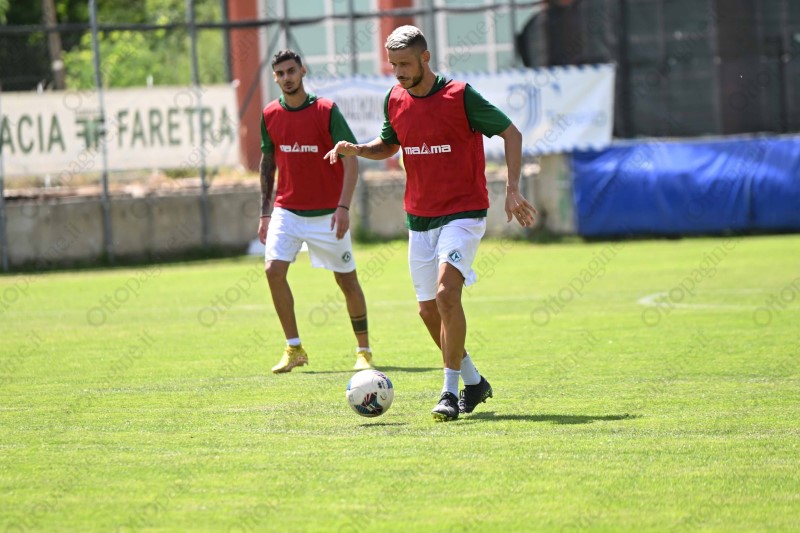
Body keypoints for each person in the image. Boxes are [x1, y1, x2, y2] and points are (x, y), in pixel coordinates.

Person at [325, 26, 536, 421]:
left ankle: (449, 393)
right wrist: (358, 149)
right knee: (427, 311)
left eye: (405, 64)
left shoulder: (460, 96)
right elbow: (390, 144)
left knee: (445, 294)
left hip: (463, 213)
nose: (399, 72)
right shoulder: (395, 98)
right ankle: (474, 381)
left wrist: (512, 189)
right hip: (419, 218)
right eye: (393, 65)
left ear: (425, 58)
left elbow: (511, 133)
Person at [259, 49, 374, 373]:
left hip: (328, 214)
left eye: (291, 71)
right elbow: (267, 163)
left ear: (303, 71)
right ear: (275, 78)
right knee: (273, 271)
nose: (286, 78)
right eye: (280, 73)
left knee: (347, 281)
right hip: (287, 211)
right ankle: (294, 348)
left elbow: (351, 160)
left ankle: (364, 351)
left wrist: (343, 207)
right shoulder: (270, 114)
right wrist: (265, 213)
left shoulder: (326, 110)